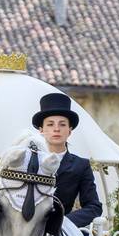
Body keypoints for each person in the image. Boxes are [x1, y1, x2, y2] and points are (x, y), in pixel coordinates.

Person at [32, 92, 103, 228]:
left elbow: (94, 206)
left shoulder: (81, 165)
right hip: (30, 227)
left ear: (70, 130)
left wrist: (65, 222)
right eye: (50, 124)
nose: (56, 129)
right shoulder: (31, 161)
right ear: (41, 129)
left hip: (63, 230)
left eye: (62, 124)